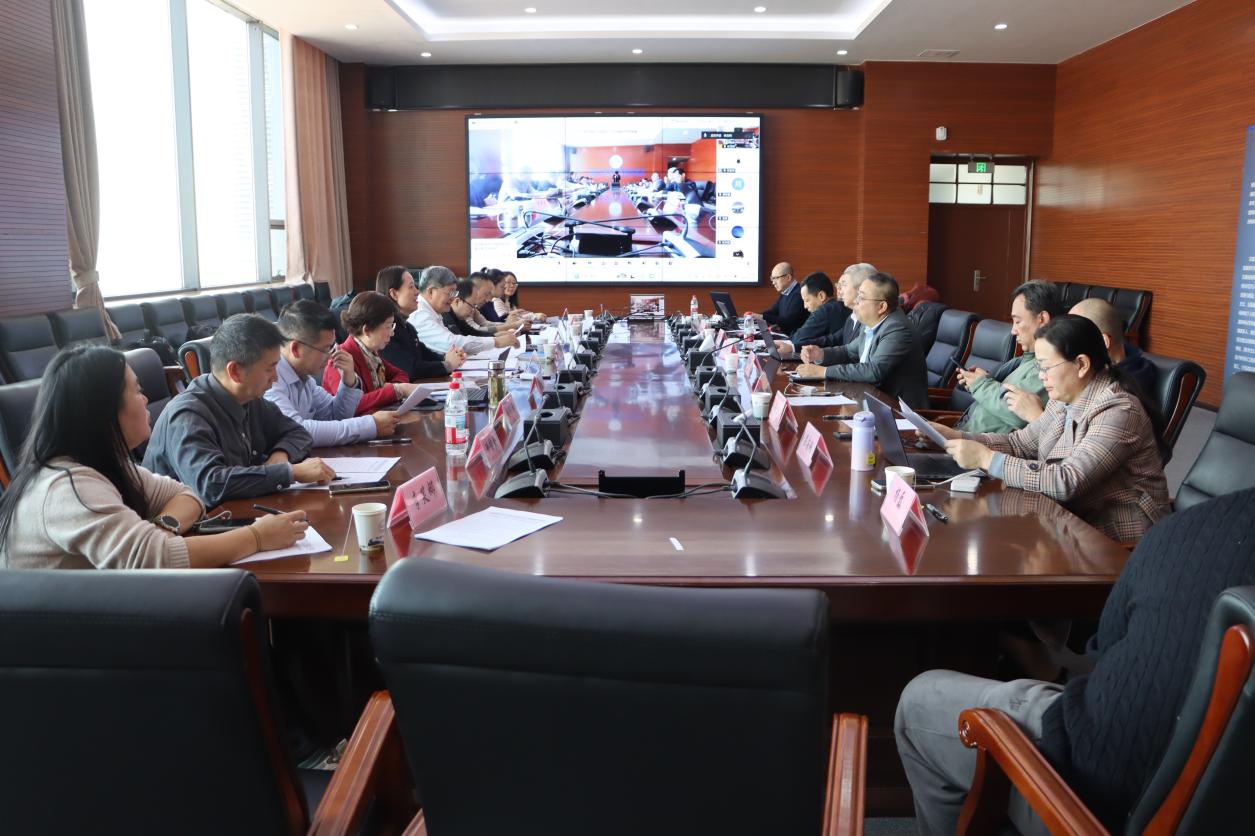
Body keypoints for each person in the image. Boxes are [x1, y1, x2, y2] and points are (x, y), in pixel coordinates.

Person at [895, 486, 1255, 835]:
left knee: (919, 703)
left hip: (1088, 799)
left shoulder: (1187, 531)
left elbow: (1104, 653)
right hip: (1218, 805)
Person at [0, 346, 308, 570]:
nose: (146, 399)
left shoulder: (104, 466)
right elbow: (151, 560)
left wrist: (163, 527)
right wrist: (256, 536)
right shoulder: (66, 488)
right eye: (136, 391)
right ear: (105, 411)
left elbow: (187, 494)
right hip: (57, 638)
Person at [934, 314, 1170, 541]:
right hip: (1071, 522)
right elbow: (1020, 444)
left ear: (1081, 364)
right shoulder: (1064, 398)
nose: (1041, 376)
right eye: (1038, 367)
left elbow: (1068, 480)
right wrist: (957, 436)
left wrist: (987, 460)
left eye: (1046, 367)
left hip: (1118, 541)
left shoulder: (1119, 410)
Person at [144, 314, 334, 508]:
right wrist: (290, 473)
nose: (276, 377)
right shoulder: (188, 415)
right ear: (235, 371)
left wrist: (281, 453)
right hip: (189, 523)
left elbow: (298, 433)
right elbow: (212, 484)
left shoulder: (250, 399)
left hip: (238, 509)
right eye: (270, 369)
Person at [266, 299, 397, 446]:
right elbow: (297, 430)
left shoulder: (304, 377)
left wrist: (349, 381)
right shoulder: (270, 379)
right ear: (296, 349)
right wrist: (370, 426)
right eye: (325, 349)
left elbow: (334, 415)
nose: (330, 356)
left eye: (331, 347)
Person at [794, 272, 930, 408]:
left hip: (898, 410)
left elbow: (874, 370)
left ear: (881, 307)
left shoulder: (897, 328)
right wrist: (820, 354)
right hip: (872, 400)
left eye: (861, 298)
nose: (855, 301)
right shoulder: (871, 322)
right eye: (857, 295)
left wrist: (823, 372)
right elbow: (848, 351)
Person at [953, 280, 1065, 434]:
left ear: (1042, 319)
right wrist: (982, 380)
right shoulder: (1025, 360)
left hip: (983, 444)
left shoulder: (1049, 368)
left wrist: (980, 385)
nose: (1013, 331)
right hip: (963, 433)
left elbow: (1017, 412)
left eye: (1018, 321)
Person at [323, 292, 424, 416]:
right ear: (367, 330)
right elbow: (352, 406)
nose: (392, 333)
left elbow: (401, 374)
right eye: (388, 326)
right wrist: (396, 390)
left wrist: (391, 388)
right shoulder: (339, 360)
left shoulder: (371, 354)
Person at [375, 265, 465, 379]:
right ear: (394, 294)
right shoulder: (387, 330)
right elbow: (408, 370)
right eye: (411, 287)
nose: (417, 292)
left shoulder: (407, 326)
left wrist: (449, 357)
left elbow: (425, 355)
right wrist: (447, 365)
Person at [408, 265, 520, 356]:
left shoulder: (435, 312)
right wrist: (496, 341)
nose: (453, 298)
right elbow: (450, 343)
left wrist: (495, 337)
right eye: (450, 292)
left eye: (455, 293)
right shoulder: (420, 313)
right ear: (431, 291)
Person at [1072, 297, 1157, 395]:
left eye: (1072, 338)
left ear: (1103, 342)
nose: (1064, 344)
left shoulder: (1119, 390)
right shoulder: (1131, 358)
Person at [772, 272, 850, 355]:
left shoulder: (824, 311)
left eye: (807, 300)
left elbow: (797, 340)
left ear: (821, 296)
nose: (805, 306)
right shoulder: (842, 307)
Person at [754, 262, 808, 336]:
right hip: (787, 336)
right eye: (772, 278)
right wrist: (756, 316)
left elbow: (788, 321)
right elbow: (773, 311)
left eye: (776, 278)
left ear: (788, 277)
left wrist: (761, 317)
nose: (773, 282)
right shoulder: (786, 292)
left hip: (795, 339)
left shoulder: (799, 293)